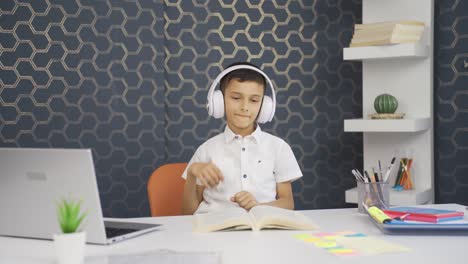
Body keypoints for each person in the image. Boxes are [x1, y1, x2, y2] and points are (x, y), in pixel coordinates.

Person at [181, 62, 302, 214]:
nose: (244, 107)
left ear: (265, 106)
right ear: (218, 101)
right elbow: (187, 213)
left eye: (253, 100)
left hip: (260, 232)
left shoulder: (278, 148)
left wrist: (258, 207)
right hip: (213, 232)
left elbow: (288, 203)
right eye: (236, 98)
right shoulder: (206, 150)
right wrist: (192, 173)